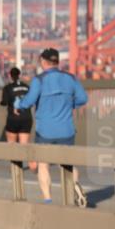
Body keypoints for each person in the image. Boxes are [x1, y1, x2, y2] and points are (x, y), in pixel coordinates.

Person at [15, 48, 89, 206]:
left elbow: (28, 102)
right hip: (67, 130)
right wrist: (70, 105)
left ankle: (48, 200)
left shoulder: (39, 80)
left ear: (43, 61)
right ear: (58, 61)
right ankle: (74, 185)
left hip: (45, 132)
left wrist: (18, 104)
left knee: (43, 165)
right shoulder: (71, 78)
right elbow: (83, 98)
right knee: (68, 163)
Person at [1, 66, 34, 169]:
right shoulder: (27, 87)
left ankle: (16, 167)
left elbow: (4, 102)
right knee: (24, 144)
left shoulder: (7, 88)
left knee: (12, 145)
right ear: (19, 75)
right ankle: (32, 163)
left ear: (10, 76)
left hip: (13, 119)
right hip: (27, 118)